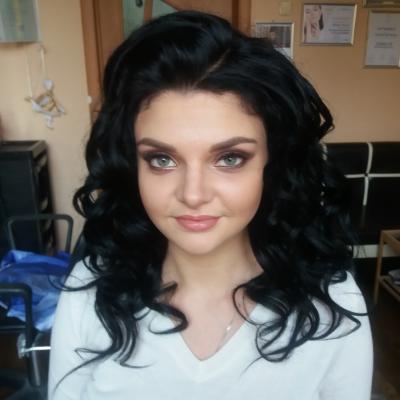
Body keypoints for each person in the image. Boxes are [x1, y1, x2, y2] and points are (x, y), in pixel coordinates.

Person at [48, 10, 373, 400]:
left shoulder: (332, 301)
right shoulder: (89, 292)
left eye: (230, 158)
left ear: (271, 163)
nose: (193, 194)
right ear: (133, 165)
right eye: (162, 159)